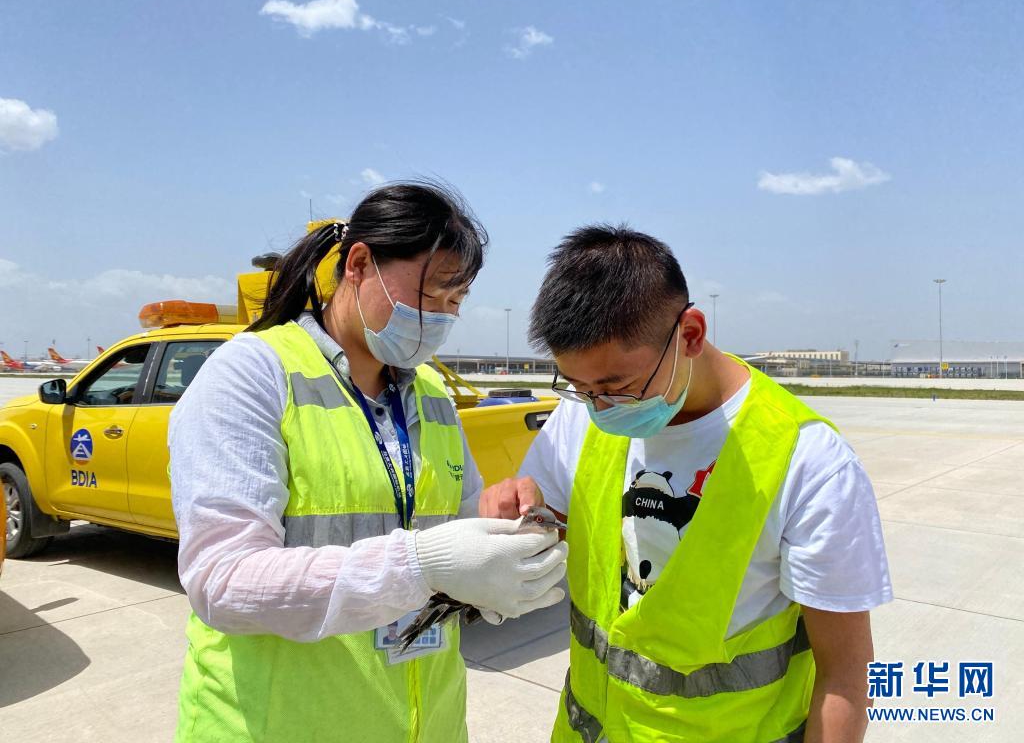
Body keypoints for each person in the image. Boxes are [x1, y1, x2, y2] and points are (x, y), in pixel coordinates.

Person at [169, 182, 567, 743]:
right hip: (282, 726)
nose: (441, 317)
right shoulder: (252, 376)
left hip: (428, 724)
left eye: (455, 302)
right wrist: (419, 566)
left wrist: (495, 522)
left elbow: (452, 523)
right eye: (431, 293)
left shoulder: (431, 395)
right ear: (358, 264)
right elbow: (223, 581)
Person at [483, 225, 892, 742]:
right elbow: (553, 526)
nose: (600, 408)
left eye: (618, 387)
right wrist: (519, 518)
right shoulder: (582, 415)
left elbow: (846, 675)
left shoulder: (807, 462)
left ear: (691, 335)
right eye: (580, 387)